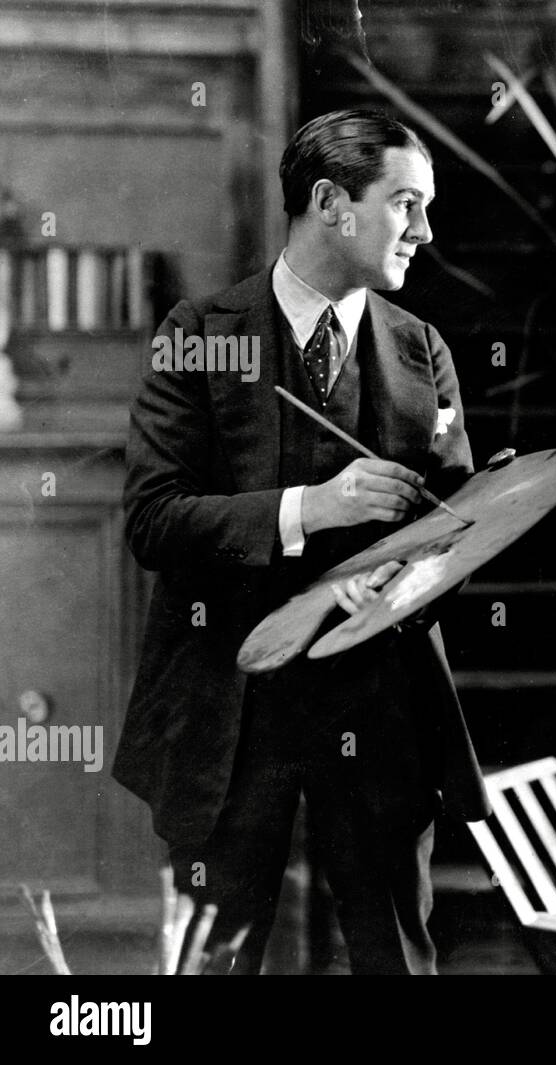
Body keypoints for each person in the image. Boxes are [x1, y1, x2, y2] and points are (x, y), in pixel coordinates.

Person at [112, 108, 488, 974]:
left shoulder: (421, 350)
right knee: (215, 954)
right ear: (331, 202)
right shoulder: (202, 336)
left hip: (383, 702)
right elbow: (154, 519)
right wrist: (308, 509)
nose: (424, 232)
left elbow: (459, 535)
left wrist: (408, 579)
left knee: (396, 957)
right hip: (228, 705)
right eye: (406, 204)